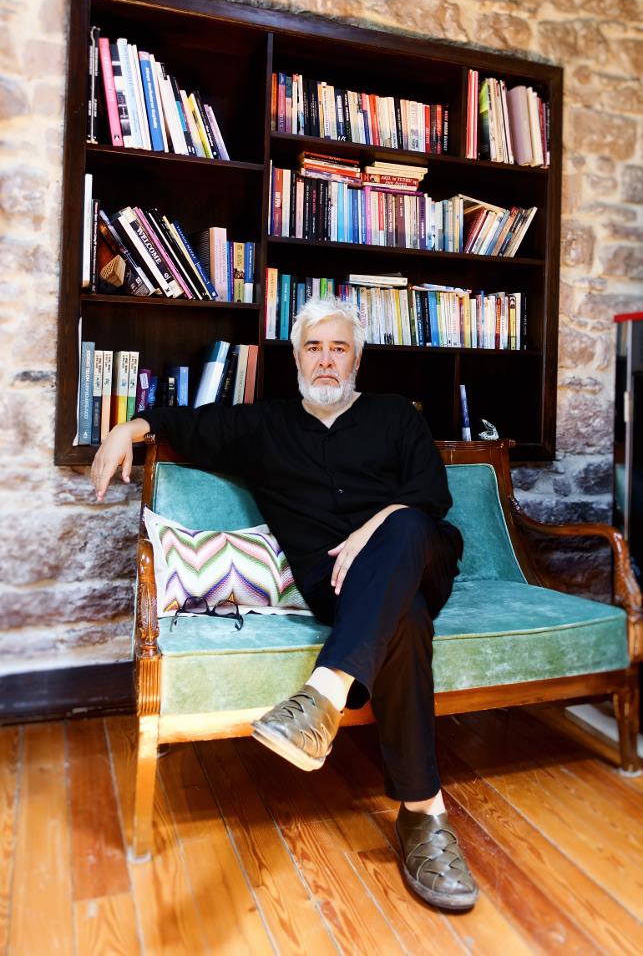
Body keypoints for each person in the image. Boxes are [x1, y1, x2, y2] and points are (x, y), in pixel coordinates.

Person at [91, 296, 479, 911]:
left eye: (339, 348)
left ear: (356, 360)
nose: (326, 360)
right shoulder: (263, 426)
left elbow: (431, 497)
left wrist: (370, 529)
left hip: (419, 556)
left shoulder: (394, 415)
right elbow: (185, 423)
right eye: (313, 348)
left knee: (405, 523)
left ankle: (323, 694)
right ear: (296, 358)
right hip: (339, 589)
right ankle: (423, 813)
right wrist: (126, 429)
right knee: (402, 621)